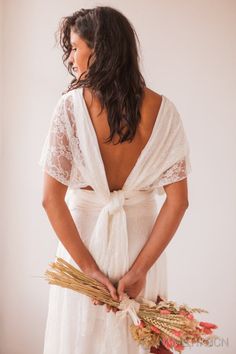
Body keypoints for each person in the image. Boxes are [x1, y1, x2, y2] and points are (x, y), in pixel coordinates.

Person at [39, 6, 191, 354]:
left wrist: (89, 270)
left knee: (80, 339)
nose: (72, 58)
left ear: (99, 50)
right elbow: (178, 201)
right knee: (139, 339)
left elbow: (51, 199)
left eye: (76, 47)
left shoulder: (69, 108)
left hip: (83, 245)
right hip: (141, 245)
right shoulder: (164, 110)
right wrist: (140, 271)